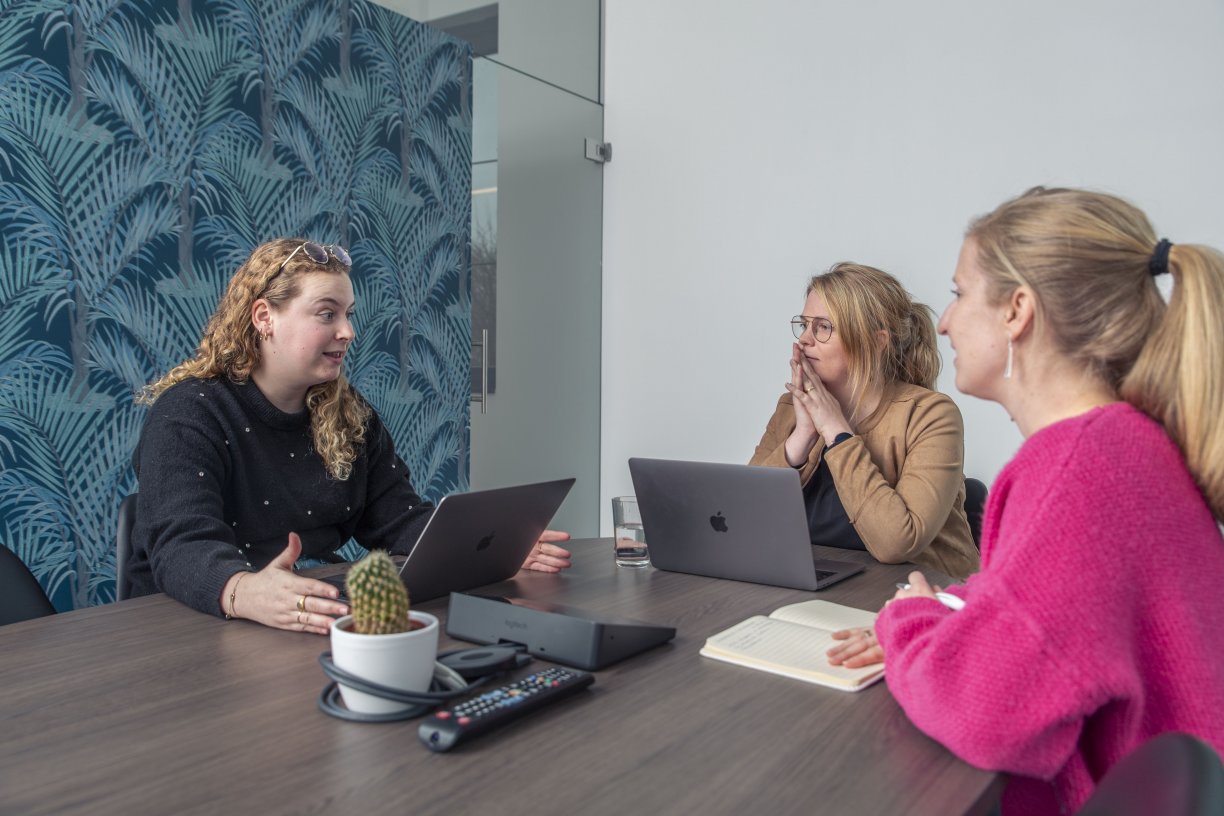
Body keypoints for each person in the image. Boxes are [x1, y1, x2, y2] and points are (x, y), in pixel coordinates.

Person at [830, 187, 1224, 815]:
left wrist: (911, 621)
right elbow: (1056, 605)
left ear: (1017, 310)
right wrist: (958, 609)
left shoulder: (1079, 467)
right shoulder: (1124, 444)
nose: (943, 322)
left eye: (959, 294)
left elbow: (988, 713)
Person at [127, 238, 572, 634]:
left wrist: (490, 545)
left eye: (347, 314)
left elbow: (398, 520)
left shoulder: (348, 413)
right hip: (193, 627)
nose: (348, 332)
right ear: (264, 317)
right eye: (327, 314)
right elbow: (181, 545)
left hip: (310, 613)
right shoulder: (190, 413)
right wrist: (243, 589)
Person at [749, 262, 979, 581]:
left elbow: (896, 544)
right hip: (817, 585)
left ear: (876, 341)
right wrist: (801, 437)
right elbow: (745, 521)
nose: (804, 340)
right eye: (803, 325)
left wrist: (836, 432)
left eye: (823, 327)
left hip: (920, 594)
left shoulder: (930, 413)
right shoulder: (792, 407)